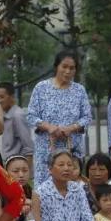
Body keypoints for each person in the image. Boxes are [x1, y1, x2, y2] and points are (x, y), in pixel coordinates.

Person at [27, 51, 92, 182]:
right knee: (44, 189)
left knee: (70, 187)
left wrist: (71, 128)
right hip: (46, 148)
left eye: (72, 68)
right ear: (56, 66)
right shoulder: (41, 88)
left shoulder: (79, 90)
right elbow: (31, 116)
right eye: (64, 67)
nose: (67, 71)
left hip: (71, 149)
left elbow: (87, 117)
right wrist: (49, 127)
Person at [0, 82, 34, 163]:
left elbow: (29, 148)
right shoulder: (2, 115)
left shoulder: (18, 115)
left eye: (2, 97)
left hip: (17, 167)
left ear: (12, 97)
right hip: (7, 164)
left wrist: (26, 172)